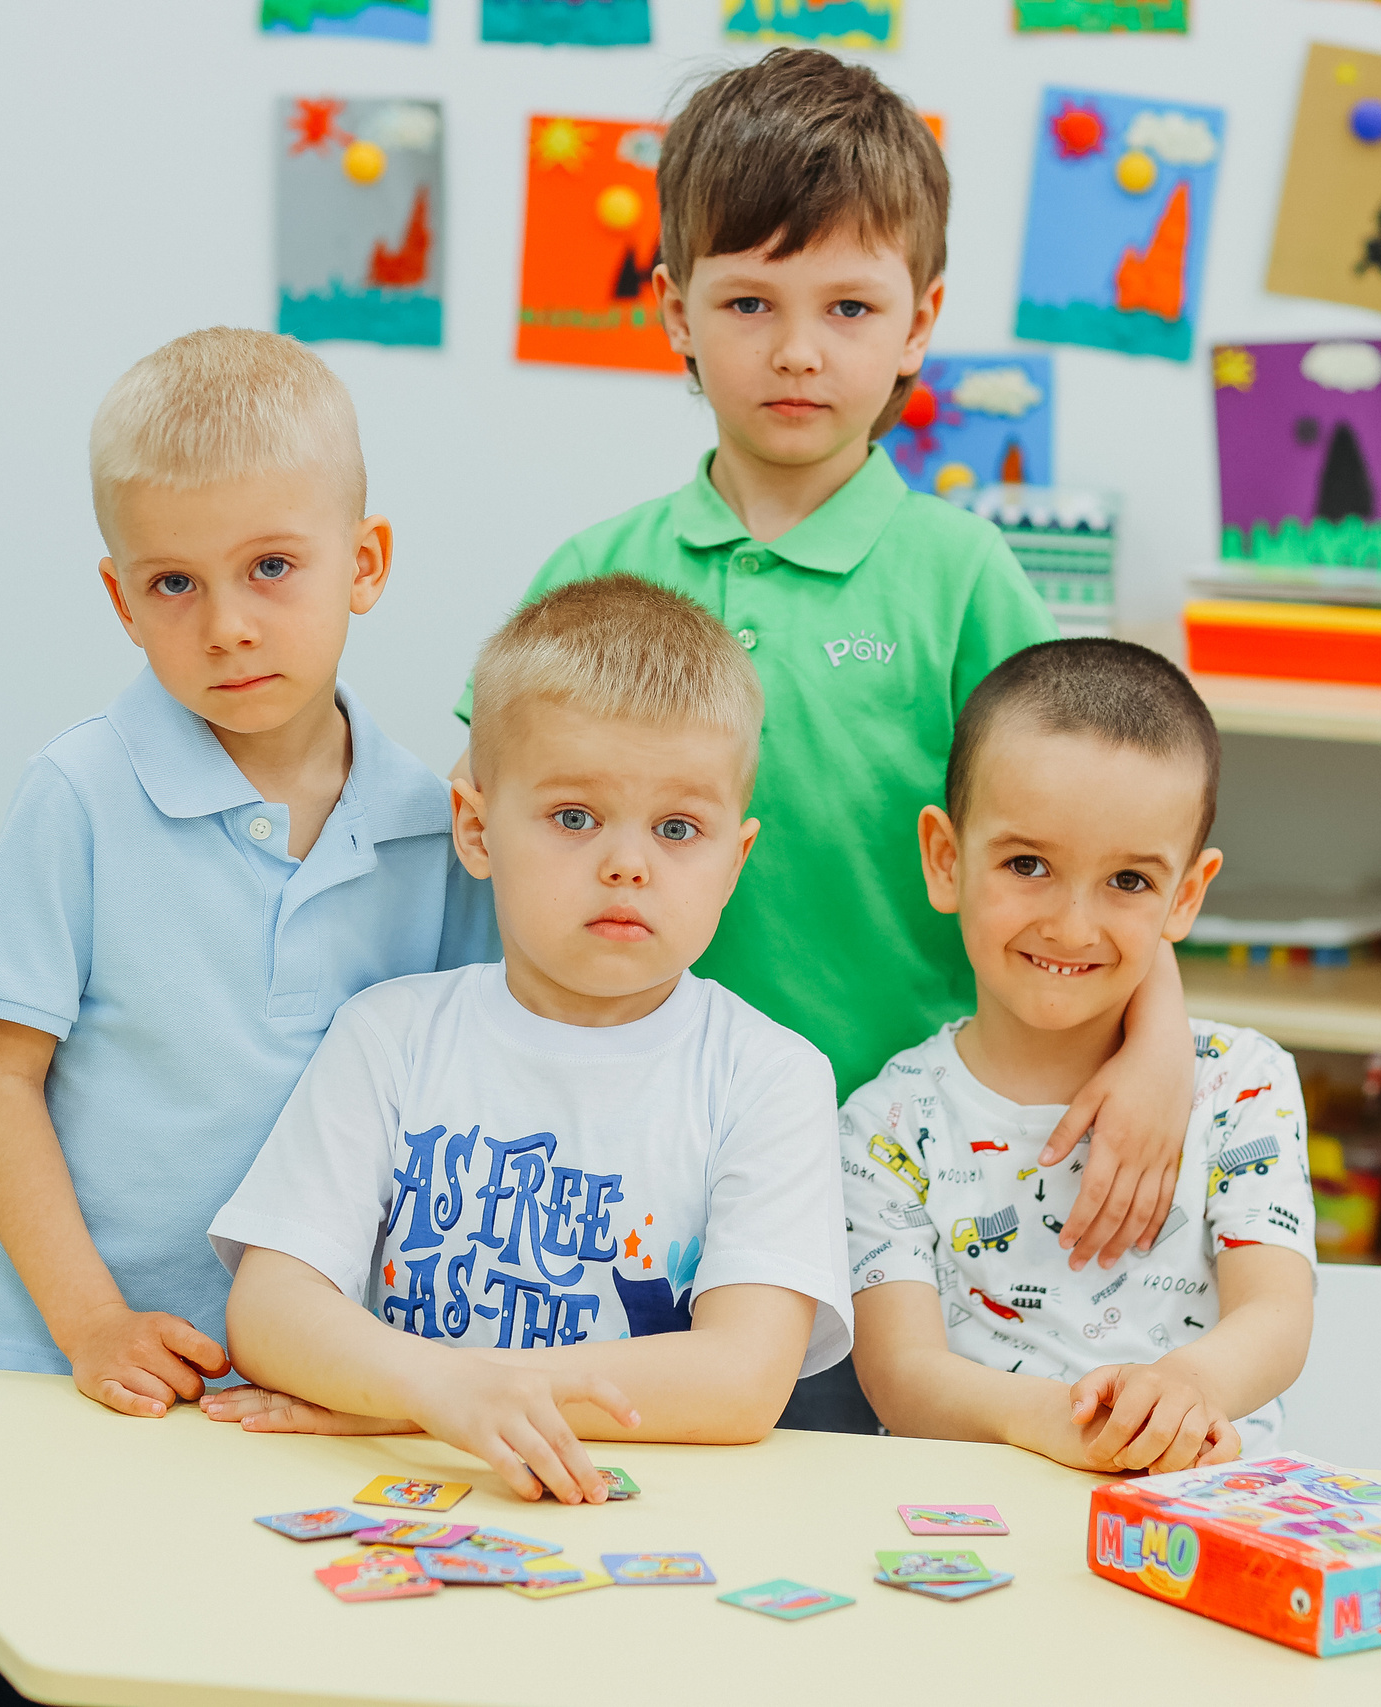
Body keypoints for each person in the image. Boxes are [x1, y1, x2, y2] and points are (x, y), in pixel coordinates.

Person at [455, 52, 1199, 1423]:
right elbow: (485, 831)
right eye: (750, 302)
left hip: (907, 1177)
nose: (799, 350)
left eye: (848, 306)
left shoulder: (965, 575)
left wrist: (1160, 1040)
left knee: (867, 1493)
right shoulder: (595, 570)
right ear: (674, 313)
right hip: (636, 1158)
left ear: (918, 323)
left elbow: (1099, 839)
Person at [0, 327, 491, 1410]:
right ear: (122, 602)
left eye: (272, 568)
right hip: (45, 1356)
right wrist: (90, 1322)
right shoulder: (78, 795)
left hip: (292, 1378)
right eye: (175, 583)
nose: (228, 627)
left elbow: (454, 1096)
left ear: (364, 564)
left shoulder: (433, 830)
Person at [202, 577, 850, 1502]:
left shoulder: (772, 1075)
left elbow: (743, 1379)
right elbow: (268, 1308)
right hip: (404, 1514)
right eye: (574, 817)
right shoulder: (391, 1035)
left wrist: (434, 1398)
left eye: (678, 828)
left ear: (734, 861)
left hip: (652, 1534)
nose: (627, 862)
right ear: (475, 827)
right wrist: (440, 1397)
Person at [842, 639, 1317, 1474]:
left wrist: (1180, 1387)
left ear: (1187, 895)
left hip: (1203, 1519)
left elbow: (1277, 1315)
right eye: (1028, 864)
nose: (1071, 925)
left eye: (1129, 881)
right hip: (968, 1531)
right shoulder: (883, 1123)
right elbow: (899, 1375)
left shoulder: (1246, 1083)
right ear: (946, 859)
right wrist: (1078, 1425)